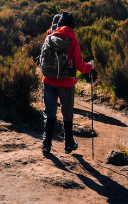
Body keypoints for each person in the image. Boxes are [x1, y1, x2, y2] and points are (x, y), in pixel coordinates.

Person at [40, 11, 94, 155]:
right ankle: (68, 145)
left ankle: (46, 144)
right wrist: (90, 66)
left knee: (50, 112)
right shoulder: (72, 40)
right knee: (67, 114)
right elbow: (79, 65)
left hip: (48, 81)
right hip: (66, 83)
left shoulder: (50, 36)